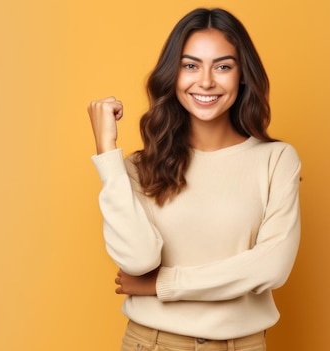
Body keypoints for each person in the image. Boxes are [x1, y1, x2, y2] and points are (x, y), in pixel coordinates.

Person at [88, 7, 301, 351]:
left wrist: (164, 284)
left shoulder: (276, 160)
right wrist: (107, 152)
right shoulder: (139, 167)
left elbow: (272, 266)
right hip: (153, 343)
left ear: (242, 74)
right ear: (172, 75)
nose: (205, 81)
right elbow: (138, 261)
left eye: (222, 66)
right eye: (190, 65)